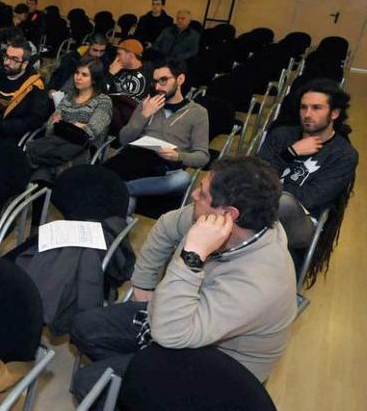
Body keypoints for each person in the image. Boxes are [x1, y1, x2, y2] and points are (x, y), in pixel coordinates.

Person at [70, 156, 297, 405]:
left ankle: (141, 390)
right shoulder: (218, 222)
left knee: (89, 383)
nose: (194, 196)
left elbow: (170, 334)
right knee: (84, 327)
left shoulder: (261, 282)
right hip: (180, 317)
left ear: (229, 215)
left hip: (219, 367)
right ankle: (139, 378)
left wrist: (193, 254)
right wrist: (144, 282)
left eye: (203, 193)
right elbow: (167, 225)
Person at [257, 78, 358, 270]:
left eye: (316, 108)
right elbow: (254, 173)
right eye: (304, 108)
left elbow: (310, 198)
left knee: (283, 201)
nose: (307, 114)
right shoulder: (282, 135)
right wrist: (290, 153)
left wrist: (265, 187)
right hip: (260, 206)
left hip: (303, 221)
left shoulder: (343, 155)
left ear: (334, 113)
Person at [103, 57, 209, 209]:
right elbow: (123, 139)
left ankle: (124, 188)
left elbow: (203, 157)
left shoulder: (198, 113)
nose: (158, 86)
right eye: (155, 81)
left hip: (166, 166)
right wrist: (143, 115)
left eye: (163, 80)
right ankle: (124, 194)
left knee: (183, 178)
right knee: (115, 173)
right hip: (136, 158)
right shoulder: (147, 104)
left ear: (180, 79)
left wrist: (179, 156)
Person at [26, 58, 112, 182]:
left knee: (44, 169)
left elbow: (90, 132)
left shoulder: (103, 101)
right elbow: (50, 128)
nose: (78, 77)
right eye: (77, 73)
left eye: (84, 75)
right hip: (57, 145)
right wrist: (74, 126)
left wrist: (62, 124)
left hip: (84, 150)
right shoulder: (68, 97)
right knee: (45, 169)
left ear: (94, 79)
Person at [0, 39, 51, 149]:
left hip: (11, 136)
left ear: (25, 64)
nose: (6, 62)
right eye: (6, 57)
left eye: (14, 60)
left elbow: (34, 120)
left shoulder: (35, 86)